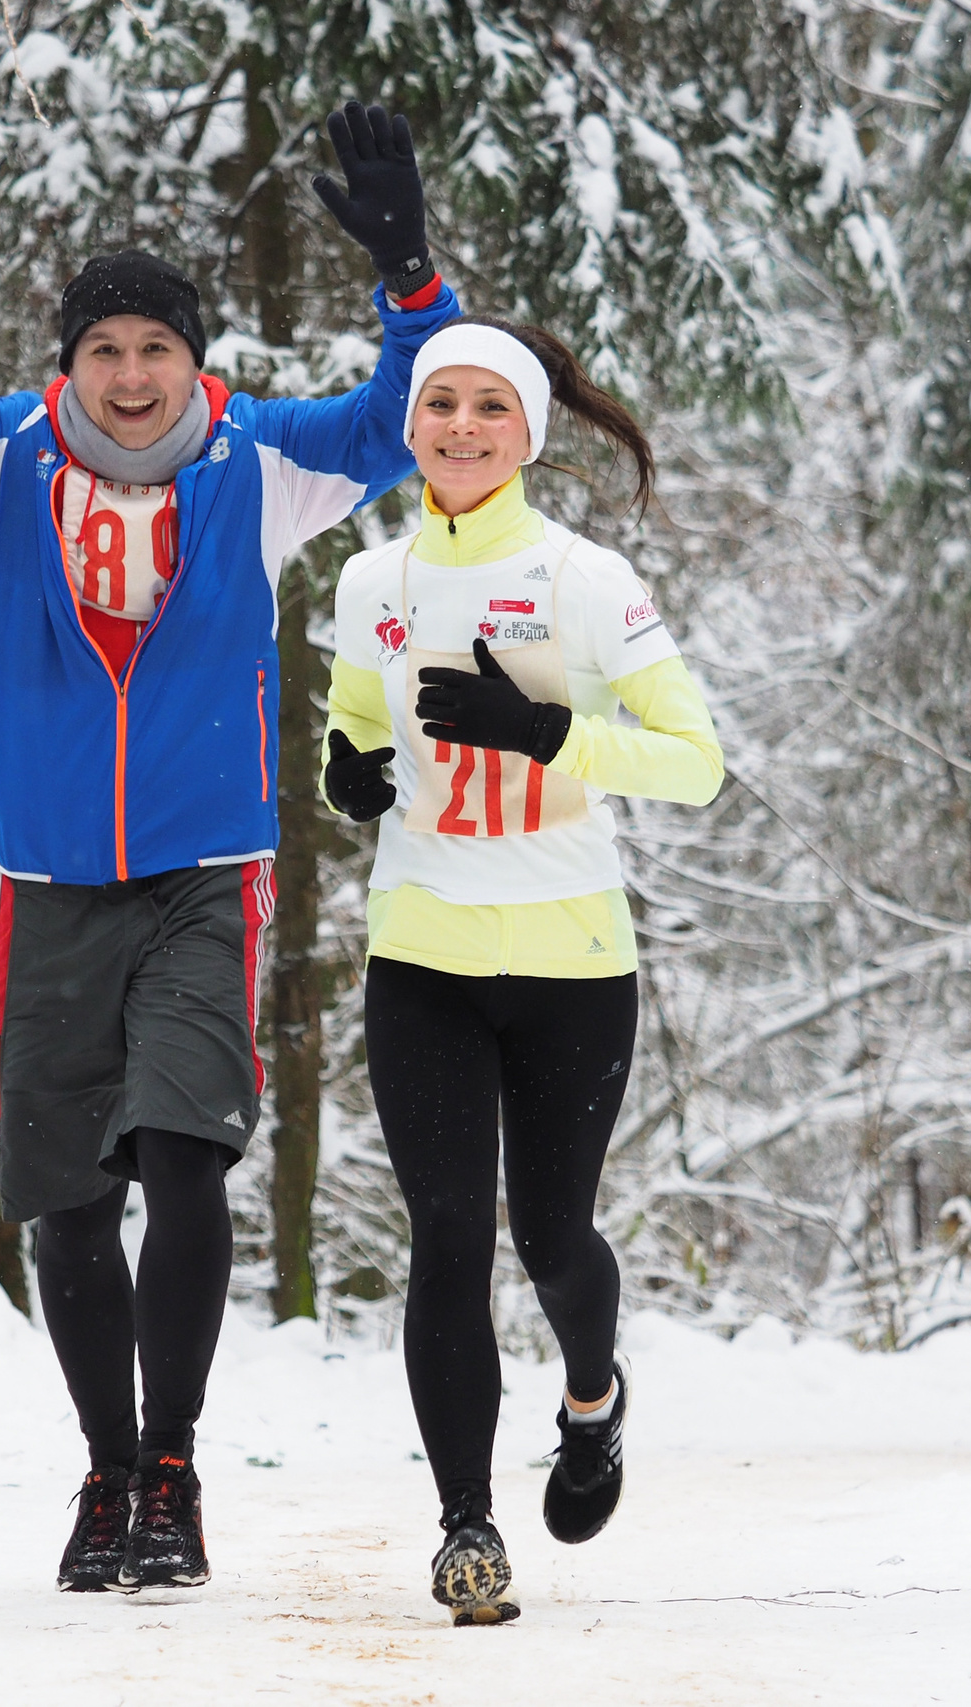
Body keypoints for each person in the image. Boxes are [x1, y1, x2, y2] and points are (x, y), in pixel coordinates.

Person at [0, 97, 459, 1592]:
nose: (130, 373)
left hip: (201, 872)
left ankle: (174, 1461)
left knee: (184, 1157)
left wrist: (412, 273)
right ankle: (106, 1468)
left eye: (155, 348)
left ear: (195, 360)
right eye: (104, 349)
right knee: (67, 1197)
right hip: (42, 880)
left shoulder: (262, 466)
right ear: (69, 364)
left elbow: (402, 416)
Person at [322, 318, 723, 1625]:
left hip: (570, 958)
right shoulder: (368, 579)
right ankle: (467, 1525)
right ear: (413, 423)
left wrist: (551, 730)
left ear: (531, 431)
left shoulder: (585, 576)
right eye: (442, 402)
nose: (461, 426)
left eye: (492, 406)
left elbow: (694, 759)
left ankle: (593, 1395)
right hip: (422, 950)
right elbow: (360, 716)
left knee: (551, 1233)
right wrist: (349, 768)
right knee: (447, 1237)